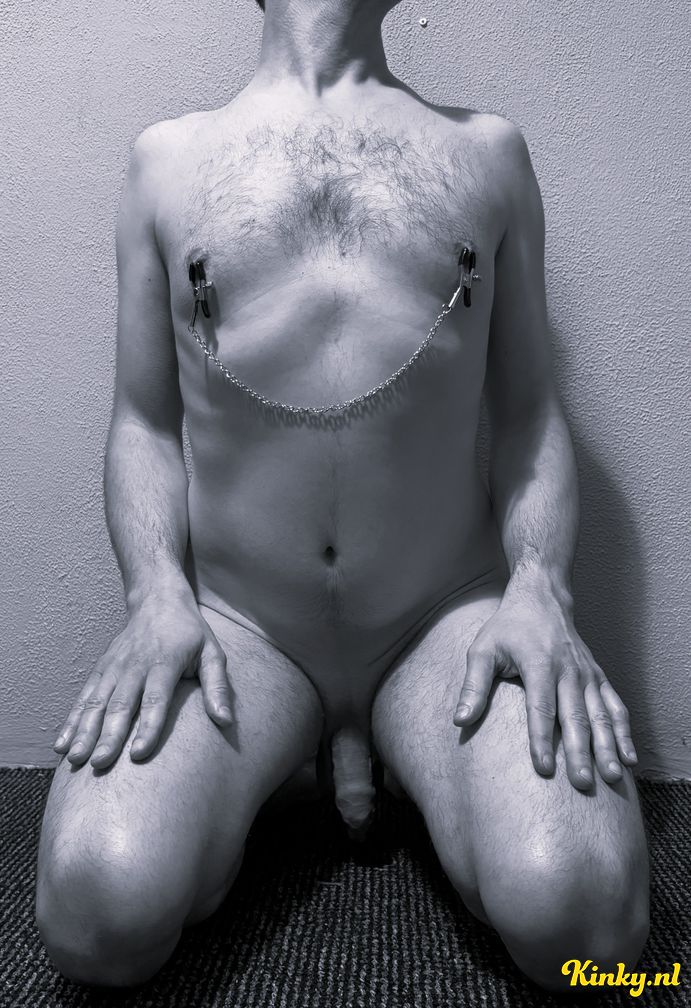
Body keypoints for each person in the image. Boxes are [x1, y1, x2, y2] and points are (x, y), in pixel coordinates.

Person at [35, 0, 649, 991]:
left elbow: (531, 411)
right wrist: (155, 593)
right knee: (94, 913)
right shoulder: (165, 164)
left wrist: (542, 587)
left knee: (587, 926)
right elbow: (143, 423)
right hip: (243, 628)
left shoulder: (487, 155)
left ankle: (402, 755)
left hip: (439, 620)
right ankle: (283, 764)